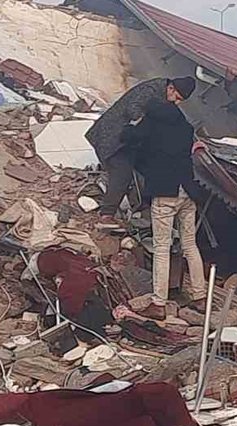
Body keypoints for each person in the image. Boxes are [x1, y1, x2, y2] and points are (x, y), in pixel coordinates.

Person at [121, 98, 206, 307]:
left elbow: (129, 137)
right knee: (189, 245)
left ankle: (159, 301)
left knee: (161, 247)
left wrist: (131, 126)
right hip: (187, 191)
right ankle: (200, 295)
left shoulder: (151, 125)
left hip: (165, 193)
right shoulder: (185, 127)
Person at [85, 76, 197, 220]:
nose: (177, 102)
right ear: (171, 88)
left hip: (127, 140)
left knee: (144, 168)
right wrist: (150, 121)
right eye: (177, 97)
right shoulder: (150, 91)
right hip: (114, 137)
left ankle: (141, 205)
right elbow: (133, 108)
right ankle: (107, 215)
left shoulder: (162, 97)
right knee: (122, 173)